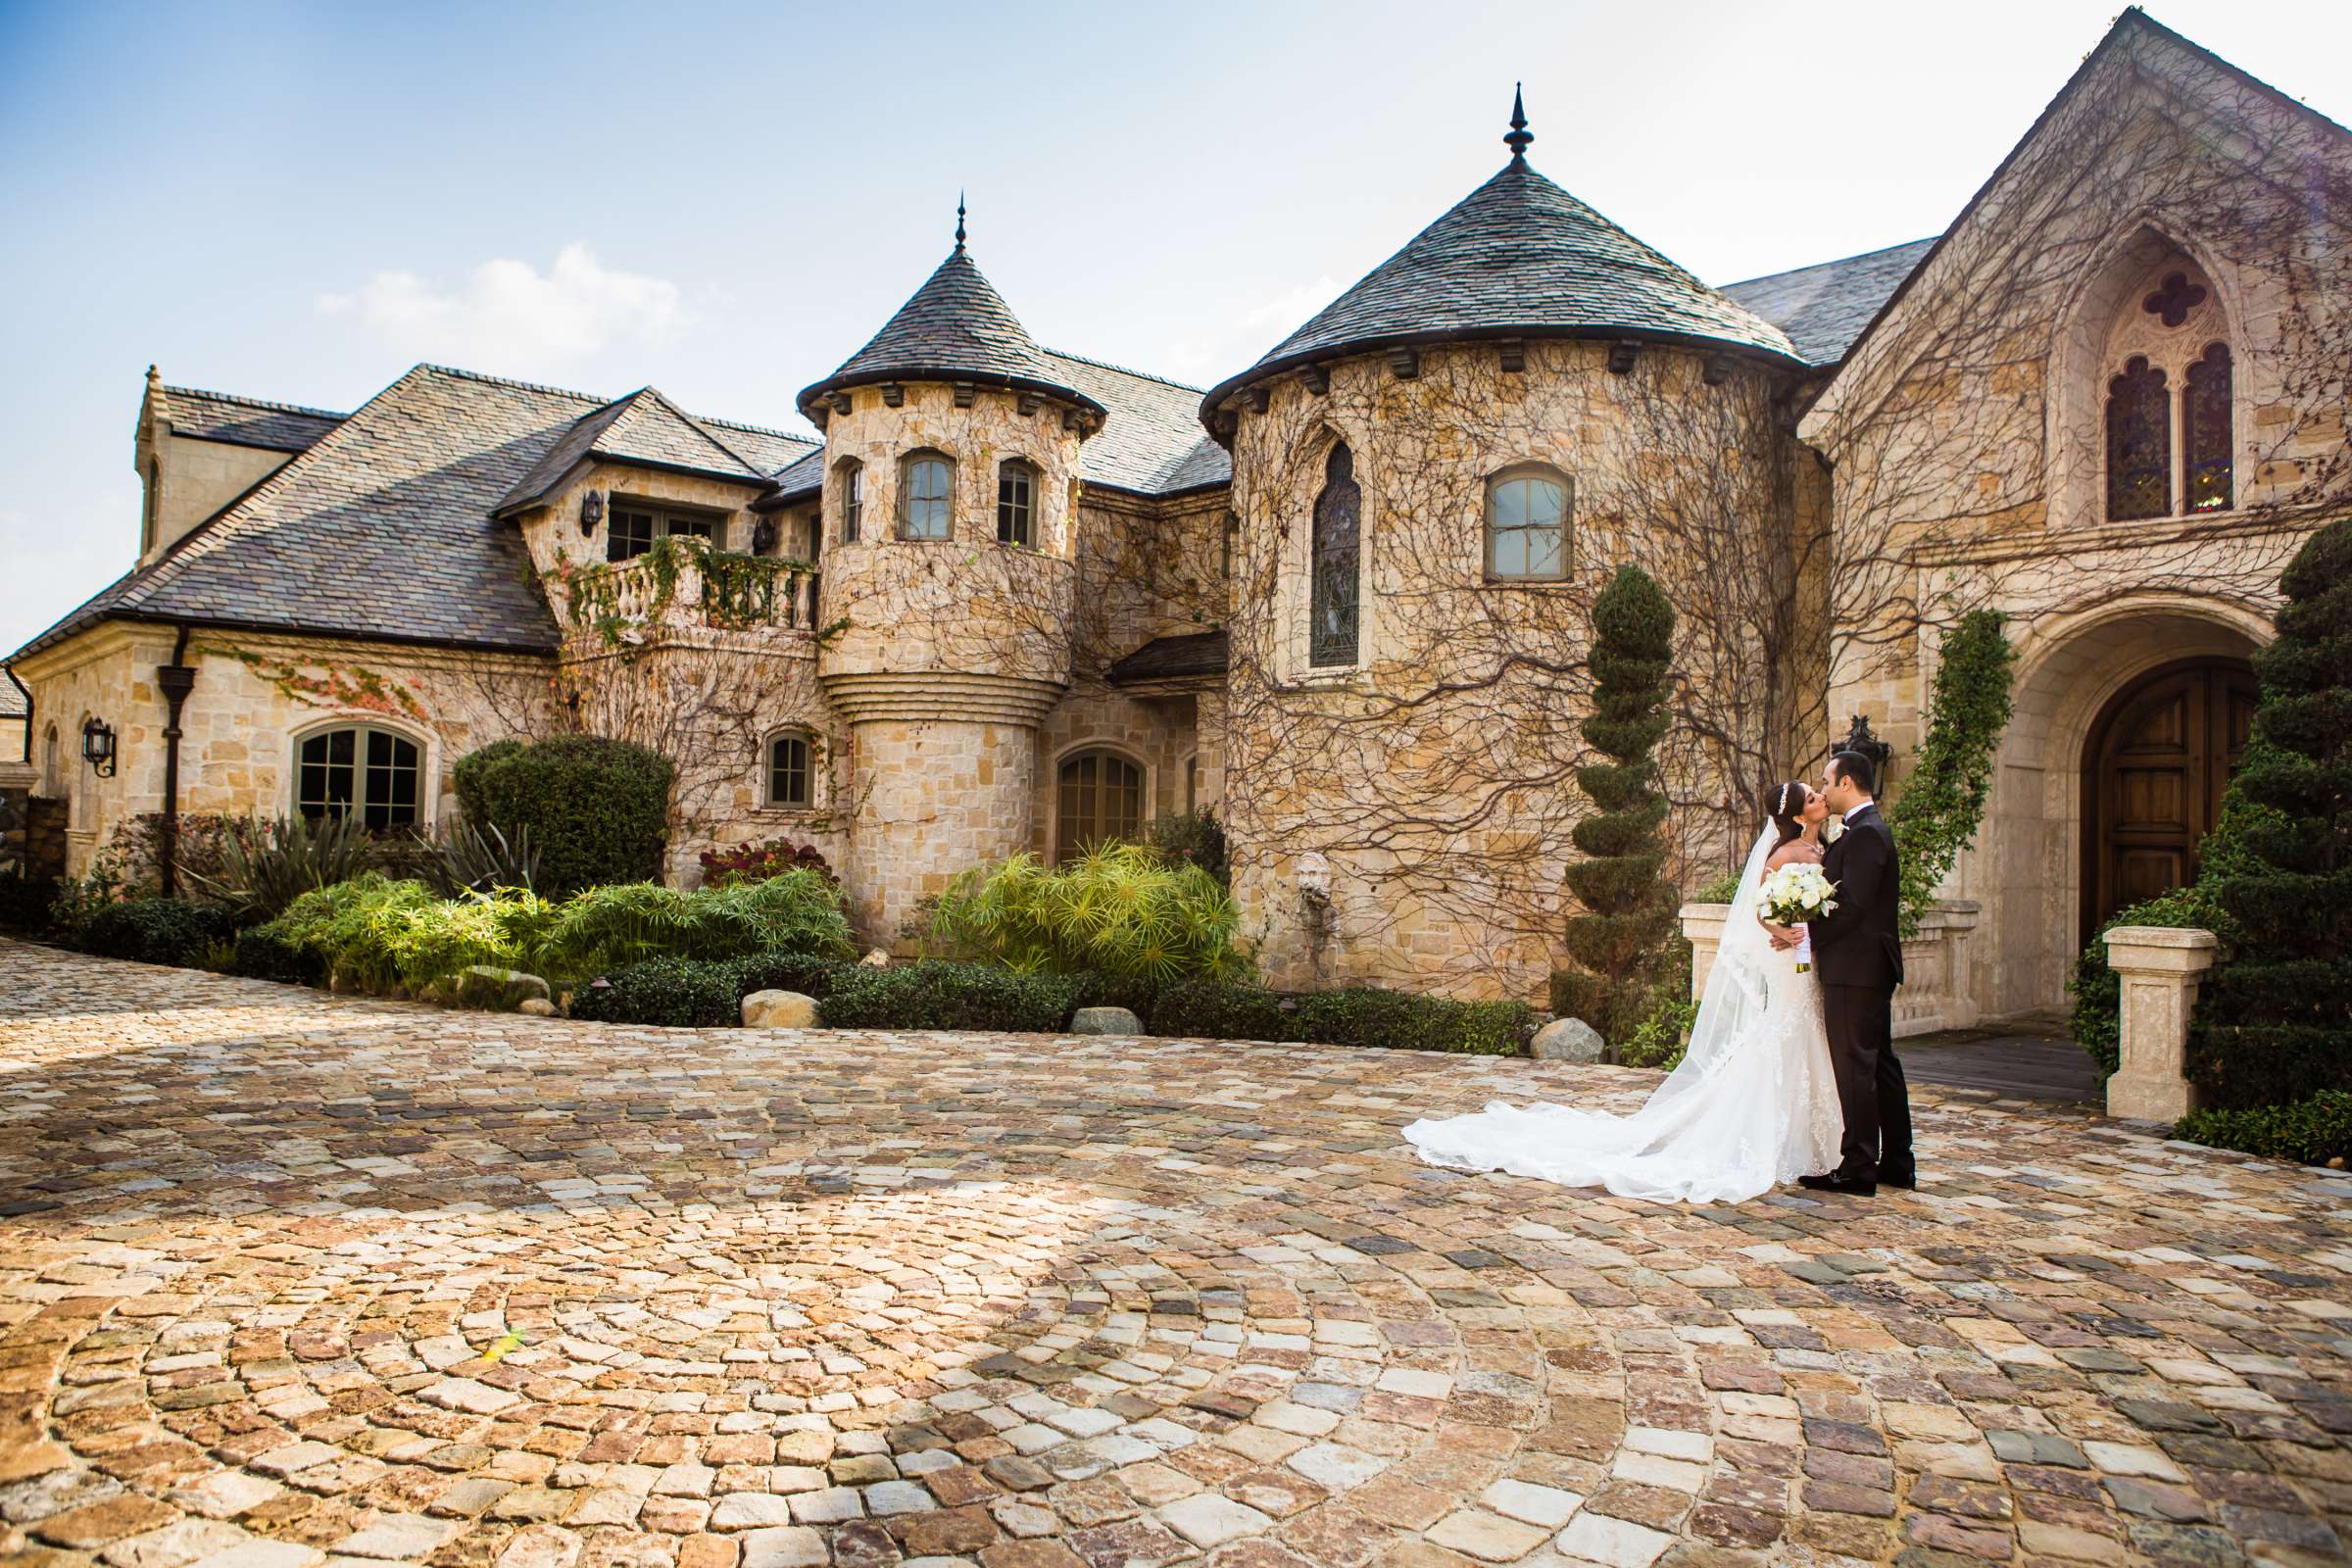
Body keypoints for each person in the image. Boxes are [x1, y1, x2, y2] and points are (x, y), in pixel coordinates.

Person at [1401, 783, 1842, 1204]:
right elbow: (1761, 909)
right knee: (1786, 1029)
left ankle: (1811, 1136)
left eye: (1819, 793)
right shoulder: (1784, 853)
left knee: (1803, 1032)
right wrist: (1787, 932)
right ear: (1798, 813)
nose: (1821, 799)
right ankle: (1768, 1134)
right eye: (1813, 797)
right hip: (1791, 960)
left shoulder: (1821, 845)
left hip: (1811, 961)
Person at [1768, 750, 1913, 1195]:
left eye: (1827, 782)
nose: (1824, 790)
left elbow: (1852, 907)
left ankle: (1858, 1167)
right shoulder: (1860, 832)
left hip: (1856, 966)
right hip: (1864, 965)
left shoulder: (1867, 834)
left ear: (1847, 783)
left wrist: (1805, 930)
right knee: (1879, 1063)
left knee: (1856, 1065)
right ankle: (1896, 1163)